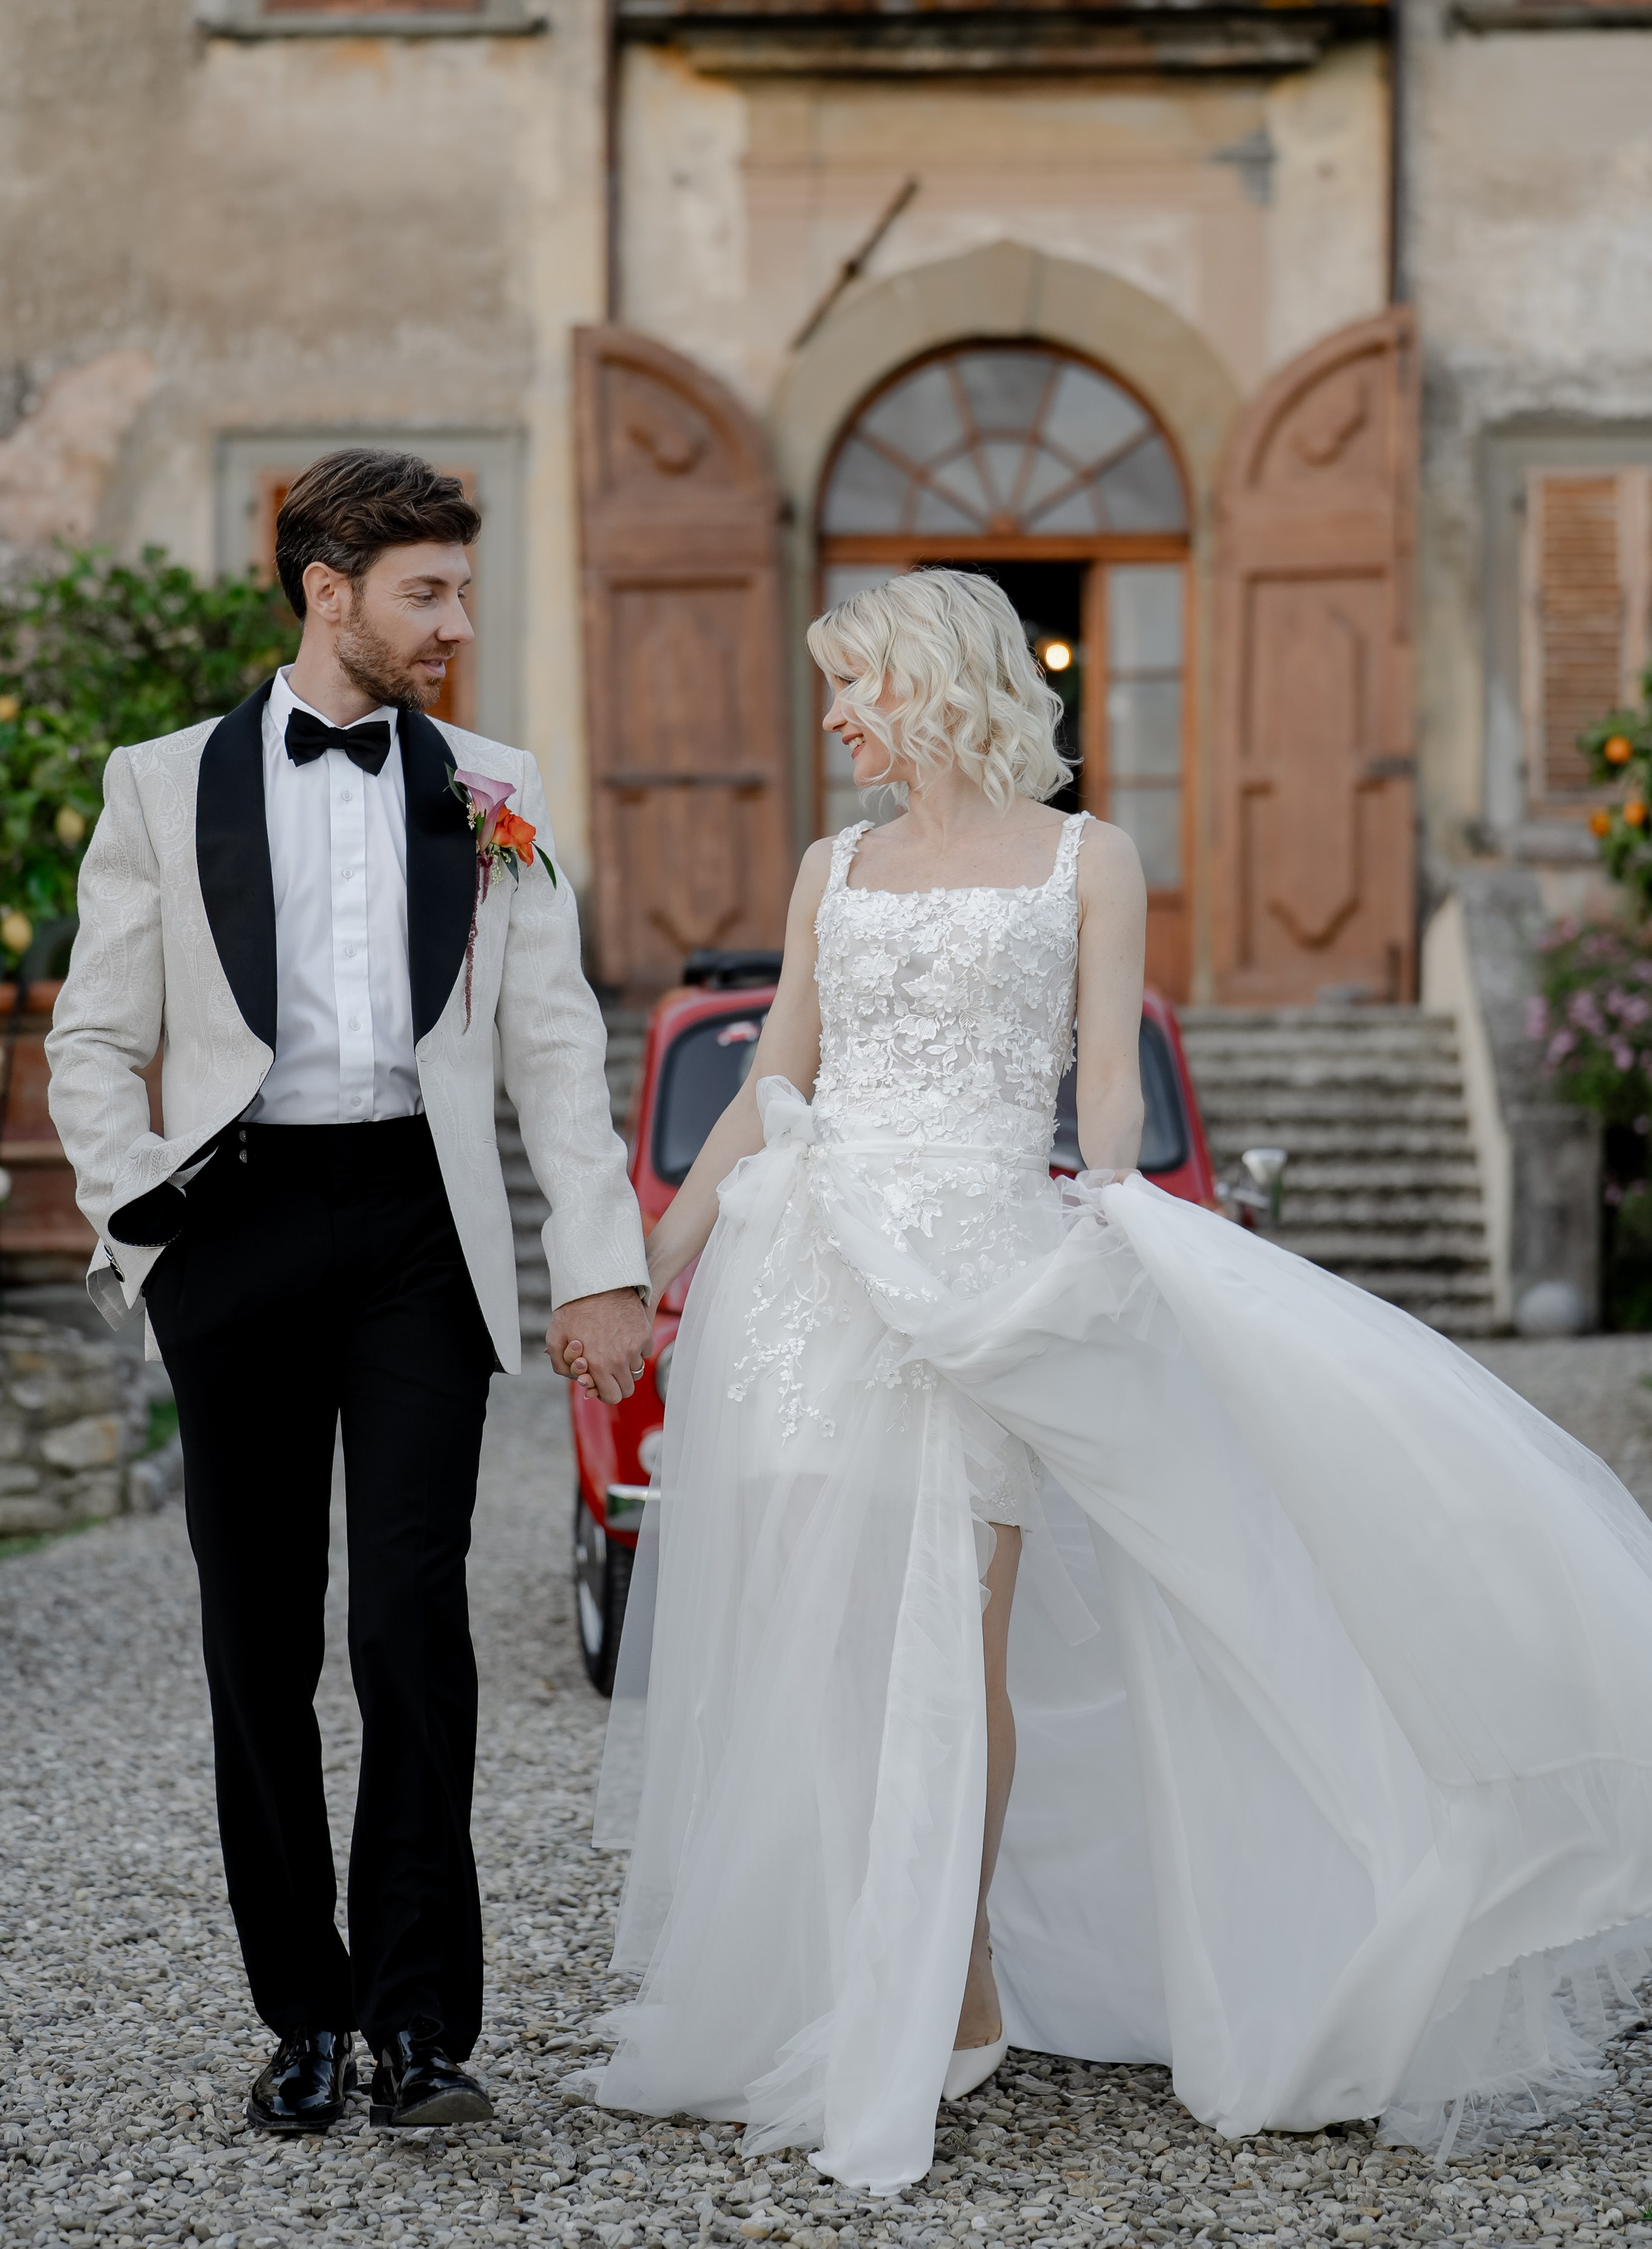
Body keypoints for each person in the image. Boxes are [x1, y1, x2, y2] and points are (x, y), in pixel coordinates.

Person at [591, 566, 1652, 2197]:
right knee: (818, 1635)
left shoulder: (1090, 859)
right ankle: (828, 1963)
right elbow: (774, 1076)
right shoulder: (828, 867)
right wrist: (653, 1259)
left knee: (958, 1637)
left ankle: (953, 1975)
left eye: (854, 685)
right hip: (808, 1286)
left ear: (933, 682)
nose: (834, 718)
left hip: (985, 1283)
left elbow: (1102, 1096)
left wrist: (1112, 1229)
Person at [46, 449, 651, 2135]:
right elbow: (93, 1038)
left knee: (409, 1629)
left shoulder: (496, 786)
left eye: (461, 590)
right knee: (258, 1643)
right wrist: (142, 1220)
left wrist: (599, 1265)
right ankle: (300, 2018)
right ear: (329, 592)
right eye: (425, 593)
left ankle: (418, 2026)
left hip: (412, 1233)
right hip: (231, 1226)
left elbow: (553, 1046)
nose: (455, 623)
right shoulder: (162, 783)